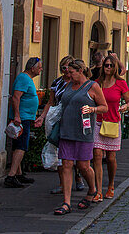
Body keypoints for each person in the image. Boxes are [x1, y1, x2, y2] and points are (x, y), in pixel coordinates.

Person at [53, 59, 108, 215]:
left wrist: (92, 109)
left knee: (83, 166)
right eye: (67, 72)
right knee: (67, 165)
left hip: (84, 132)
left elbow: (104, 107)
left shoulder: (93, 86)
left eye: (71, 72)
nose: (68, 74)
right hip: (66, 131)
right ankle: (66, 202)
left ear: (80, 71)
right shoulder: (68, 85)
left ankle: (92, 189)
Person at [34, 56, 85, 195]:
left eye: (68, 67)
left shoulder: (78, 83)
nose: (66, 71)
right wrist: (42, 117)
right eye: (63, 68)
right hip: (58, 120)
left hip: (74, 120)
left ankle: (78, 177)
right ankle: (63, 183)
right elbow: (51, 102)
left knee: (75, 152)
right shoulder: (57, 83)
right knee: (60, 152)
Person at [91, 55, 129, 200]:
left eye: (110, 65)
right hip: (99, 121)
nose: (108, 68)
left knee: (110, 158)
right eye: (106, 65)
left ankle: (110, 185)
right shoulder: (97, 83)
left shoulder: (120, 83)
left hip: (113, 122)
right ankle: (98, 190)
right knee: (97, 155)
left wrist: (124, 107)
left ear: (115, 67)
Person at [5, 57, 41, 188]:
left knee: (18, 146)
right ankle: (11, 175)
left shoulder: (26, 79)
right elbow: (16, 97)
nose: (41, 69)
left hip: (25, 117)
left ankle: (18, 174)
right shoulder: (23, 78)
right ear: (33, 68)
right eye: (39, 67)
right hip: (21, 119)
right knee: (21, 146)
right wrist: (17, 116)